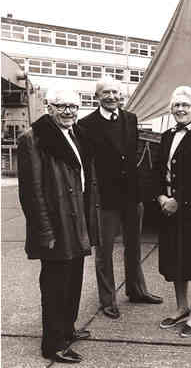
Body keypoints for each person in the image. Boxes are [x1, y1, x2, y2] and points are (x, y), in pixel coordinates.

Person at [17, 89, 101, 363]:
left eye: (73, 107)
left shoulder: (75, 134)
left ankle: (67, 329)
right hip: (56, 225)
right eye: (62, 106)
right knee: (54, 286)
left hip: (76, 222)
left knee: (74, 280)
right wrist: (45, 232)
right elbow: (32, 193)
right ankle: (52, 344)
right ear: (49, 108)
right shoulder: (33, 138)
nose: (69, 112)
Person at [78, 77, 162, 319]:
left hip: (132, 196)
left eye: (115, 92)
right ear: (97, 97)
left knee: (134, 246)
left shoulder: (130, 119)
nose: (112, 96)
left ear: (121, 95)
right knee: (104, 251)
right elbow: (85, 164)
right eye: (106, 92)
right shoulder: (86, 125)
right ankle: (107, 300)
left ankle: (136, 290)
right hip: (104, 198)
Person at [155, 86, 191, 337]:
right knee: (175, 258)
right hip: (167, 206)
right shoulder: (166, 135)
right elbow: (158, 170)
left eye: (185, 105)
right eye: (177, 105)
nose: (180, 109)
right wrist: (160, 197)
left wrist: (177, 200)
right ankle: (181, 307)